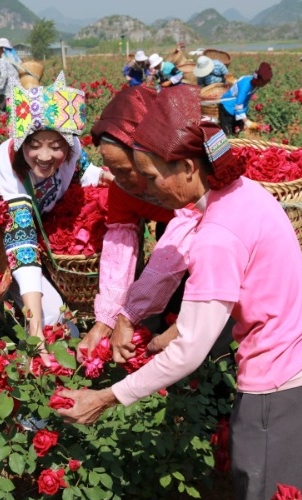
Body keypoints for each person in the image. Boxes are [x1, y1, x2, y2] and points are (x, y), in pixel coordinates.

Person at [57, 85, 302, 500]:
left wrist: (106, 398)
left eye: (150, 175)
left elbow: (189, 353)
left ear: (186, 166)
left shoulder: (217, 236)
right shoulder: (241, 192)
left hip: (278, 388)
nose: (146, 188)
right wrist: (159, 325)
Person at [0, 72, 113, 344]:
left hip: (35, 236)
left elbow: (83, 172)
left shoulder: (72, 149)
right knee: (53, 320)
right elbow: (22, 247)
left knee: (65, 327)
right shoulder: (8, 173)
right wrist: (36, 330)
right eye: (34, 145)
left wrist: (118, 181)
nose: (45, 156)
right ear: (20, 142)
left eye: (55, 146)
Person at [80, 85, 187, 355]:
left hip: (214, 251)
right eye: (112, 169)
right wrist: (104, 323)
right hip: (173, 235)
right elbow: (119, 254)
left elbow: (183, 249)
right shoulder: (122, 190)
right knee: (159, 317)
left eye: (125, 170)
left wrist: (129, 316)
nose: (119, 179)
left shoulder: (188, 183)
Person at [218, 62, 273, 136]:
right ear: (259, 80)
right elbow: (238, 105)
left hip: (240, 109)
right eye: (265, 82)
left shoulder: (256, 82)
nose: (265, 84)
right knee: (228, 133)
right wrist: (247, 122)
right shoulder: (246, 86)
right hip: (228, 108)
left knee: (238, 132)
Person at [0, 38, 21, 113]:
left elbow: (4, 75)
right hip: (17, 90)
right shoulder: (15, 58)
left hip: (7, 92)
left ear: (1, 49)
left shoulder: (3, 60)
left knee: (3, 113)